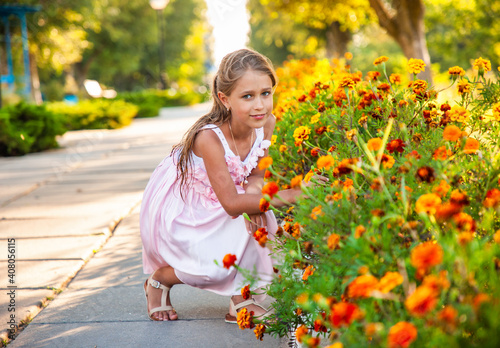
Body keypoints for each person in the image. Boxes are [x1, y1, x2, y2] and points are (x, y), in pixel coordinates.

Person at [140, 48, 316, 322]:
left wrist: (254, 198)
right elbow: (231, 204)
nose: (259, 105)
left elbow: (257, 174)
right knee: (214, 266)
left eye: (265, 93)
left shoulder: (266, 123)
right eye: (247, 96)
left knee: (258, 218)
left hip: (229, 199)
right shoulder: (209, 138)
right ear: (225, 99)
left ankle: (240, 298)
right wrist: (295, 194)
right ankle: (160, 279)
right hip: (191, 207)